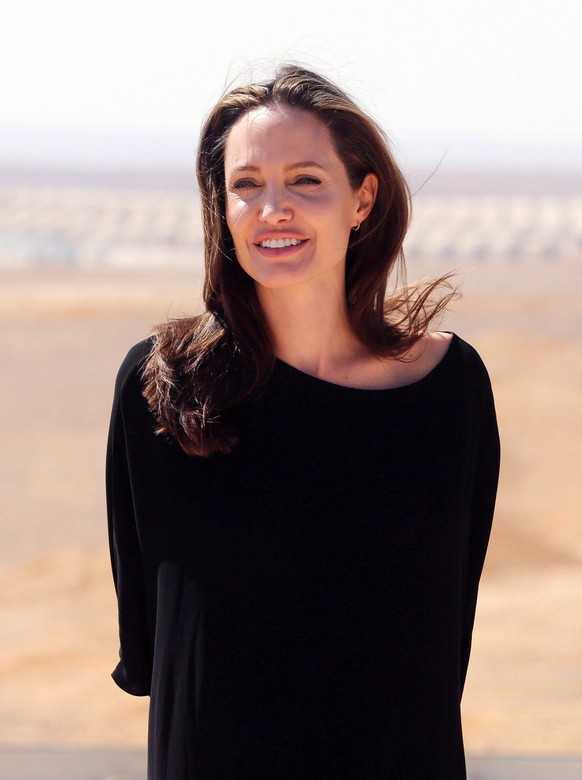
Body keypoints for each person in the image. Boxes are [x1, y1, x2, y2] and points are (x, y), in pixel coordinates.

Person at [107, 64, 500, 779]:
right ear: (219, 206)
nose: (271, 208)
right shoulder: (162, 388)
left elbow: (448, 632)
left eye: (306, 181)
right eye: (247, 184)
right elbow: (153, 647)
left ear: (363, 199)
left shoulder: (449, 392)